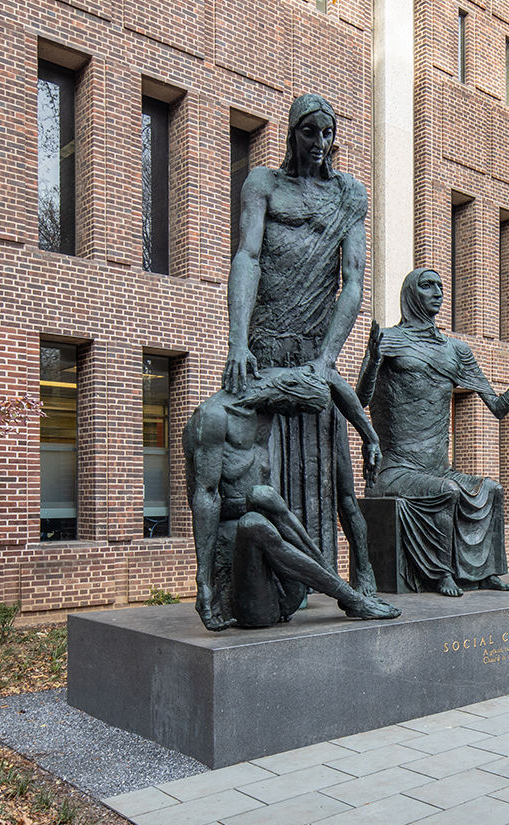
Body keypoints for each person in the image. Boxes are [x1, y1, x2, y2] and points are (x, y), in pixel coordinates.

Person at [222, 93, 377, 610]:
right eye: (309, 131)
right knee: (258, 472)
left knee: (336, 474)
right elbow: (247, 255)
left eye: (327, 133)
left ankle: (360, 571)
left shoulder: (350, 195)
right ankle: (268, 584)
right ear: (293, 133)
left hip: (315, 354)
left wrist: (328, 357)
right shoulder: (263, 183)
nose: (319, 142)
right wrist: (238, 341)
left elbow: (353, 280)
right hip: (265, 350)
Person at [357, 268, 509, 595]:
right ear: (410, 294)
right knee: (448, 490)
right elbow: (360, 399)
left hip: (436, 468)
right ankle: (440, 574)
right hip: (397, 469)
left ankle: (486, 573)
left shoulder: (456, 351)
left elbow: (498, 408)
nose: (437, 292)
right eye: (428, 286)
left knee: (492, 489)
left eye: (440, 286)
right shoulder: (388, 340)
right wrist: (374, 361)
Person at [184, 367, 400, 629]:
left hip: (283, 583)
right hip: (242, 594)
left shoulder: (266, 398)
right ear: (282, 395)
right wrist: (205, 584)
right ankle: (352, 599)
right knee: (252, 523)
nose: (284, 417)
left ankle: (346, 593)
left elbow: (329, 377)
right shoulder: (212, 418)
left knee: (262, 495)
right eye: (288, 410)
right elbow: (205, 495)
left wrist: (369, 436)